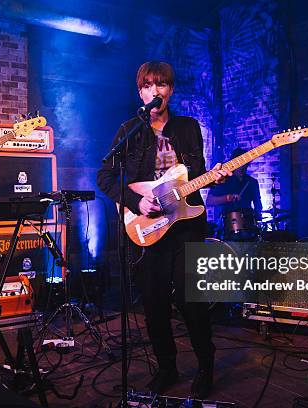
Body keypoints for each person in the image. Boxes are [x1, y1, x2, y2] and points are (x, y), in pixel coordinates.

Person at [97, 61, 230, 399]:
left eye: (161, 85)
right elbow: (105, 178)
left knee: (191, 301)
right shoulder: (129, 130)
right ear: (140, 91)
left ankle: (205, 365)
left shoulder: (188, 127)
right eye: (148, 86)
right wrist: (134, 203)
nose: (155, 91)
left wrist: (214, 176)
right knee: (154, 304)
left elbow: (195, 175)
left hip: (186, 224)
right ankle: (167, 367)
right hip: (150, 227)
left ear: (170, 90)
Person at [206, 148, 262, 240]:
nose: (243, 166)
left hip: (249, 225)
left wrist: (258, 218)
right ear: (234, 163)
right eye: (240, 163)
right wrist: (228, 198)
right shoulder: (223, 180)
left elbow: (257, 204)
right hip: (228, 224)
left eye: (245, 163)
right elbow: (209, 201)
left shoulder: (252, 182)